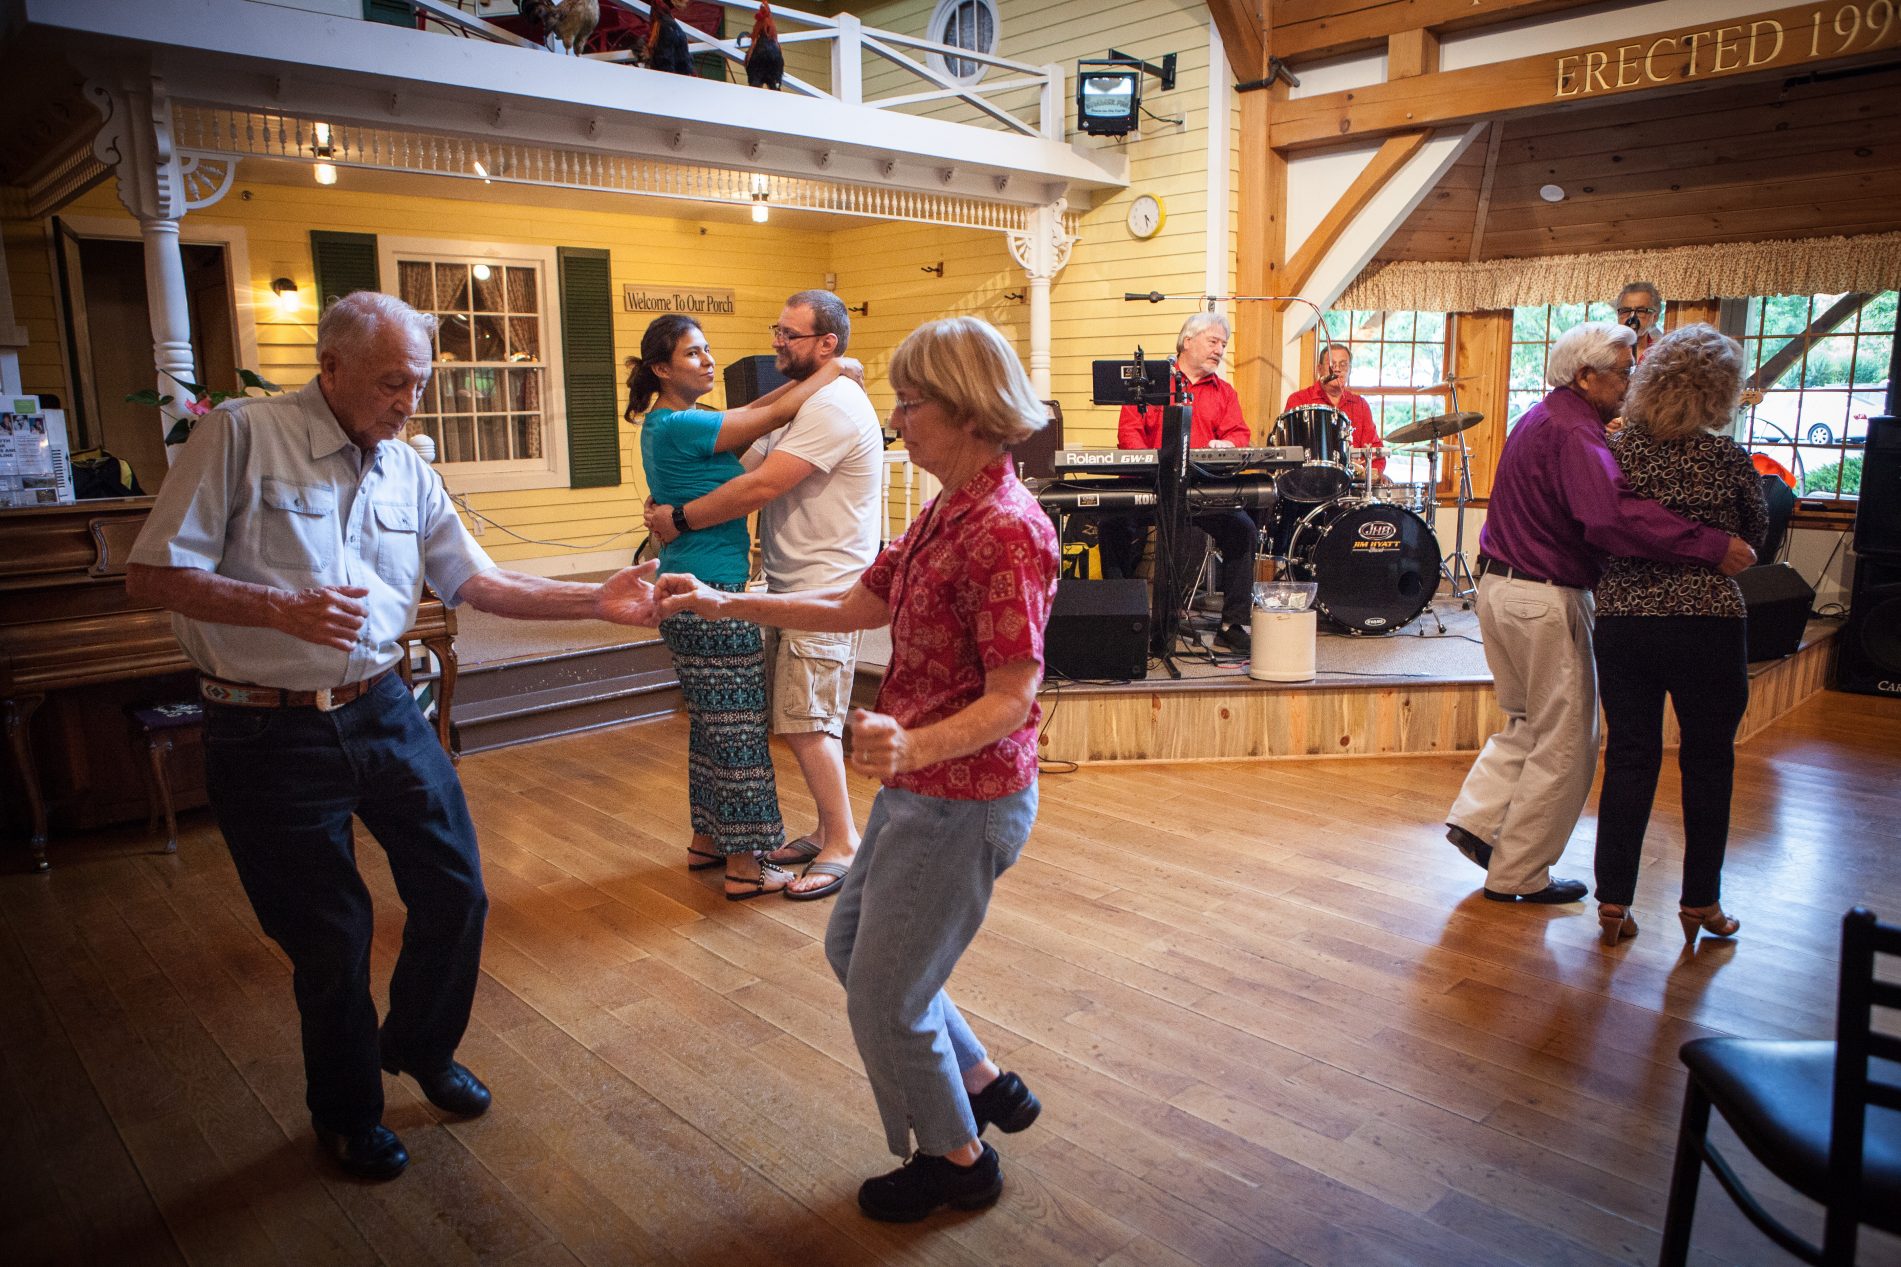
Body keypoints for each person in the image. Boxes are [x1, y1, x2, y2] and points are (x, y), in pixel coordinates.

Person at [123, 291, 663, 1182]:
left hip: (382, 707)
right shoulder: (239, 437)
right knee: (332, 936)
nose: (407, 400)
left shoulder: (408, 468)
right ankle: (346, 1112)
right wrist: (279, 606)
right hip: (264, 727)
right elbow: (152, 574)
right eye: (389, 383)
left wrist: (592, 600)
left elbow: (474, 582)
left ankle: (417, 1044)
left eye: (415, 382)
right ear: (329, 368)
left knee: (456, 890)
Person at [654, 316, 1057, 1223]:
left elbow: (1011, 699)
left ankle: (958, 1158)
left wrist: (913, 745)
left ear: (963, 410)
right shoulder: (946, 508)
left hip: (967, 799)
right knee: (856, 953)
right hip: (921, 793)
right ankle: (982, 1080)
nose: (897, 420)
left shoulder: (1005, 530)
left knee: (886, 990)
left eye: (909, 404)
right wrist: (724, 597)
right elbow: (847, 602)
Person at [1444, 321, 1756, 905]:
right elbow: (1611, 518)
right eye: (1623, 370)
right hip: (1545, 595)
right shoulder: (1576, 434)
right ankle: (1519, 874)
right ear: (1586, 376)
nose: (1632, 380)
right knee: (1566, 741)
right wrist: (1711, 545)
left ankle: (1478, 821)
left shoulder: (1545, 417)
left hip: (1500, 588)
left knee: (1526, 720)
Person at [643, 291, 881, 899]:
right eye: (776, 329)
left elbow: (763, 484)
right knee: (755, 720)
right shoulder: (806, 401)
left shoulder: (833, 404)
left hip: (824, 587)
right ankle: (770, 839)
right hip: (779, 583)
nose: (776, 342)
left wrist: (680, 516)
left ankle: (842, 841)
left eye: (791, 335)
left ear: (827, 343)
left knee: (803, 722)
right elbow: (750, 433)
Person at [1591, 326, 1768, 949]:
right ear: (1721, 393)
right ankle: (1701, 904)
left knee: (1630, 756)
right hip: (1708, 624)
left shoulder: (1615, 451)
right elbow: (1756, 536)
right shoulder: (1726, 458)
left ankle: (1613, 902)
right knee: (1709, 759)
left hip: (1624, 620)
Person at [1102, 311, 1256, 652]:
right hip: (1150, 485)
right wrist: (1152, 464)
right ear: (1188, 341)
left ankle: (1232, 624)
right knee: (1113, 522)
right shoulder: (1149, 383)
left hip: (1199, 488)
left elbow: (1239, 434)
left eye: (1223, 345)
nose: (1220, 350)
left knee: (1242, 529)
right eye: (1213, 341)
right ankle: (1119, 619)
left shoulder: (1224, 392)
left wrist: (1229, 445)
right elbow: (1130, 434)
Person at [1282, 341, 1386, 481]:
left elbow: (1375, 451)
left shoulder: (1360, 405)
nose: (1337, 369)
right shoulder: (1298, 400)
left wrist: (1372, 472)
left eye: (1343, 365)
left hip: (1352, 488)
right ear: (1319, 369)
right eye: (1332, 364)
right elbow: (1288, 450)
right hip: (1309, 483)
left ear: (1350, 370)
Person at [1616, 282, 1665, 362]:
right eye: (1625, 310)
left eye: (1640, 311)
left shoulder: (1662, 356)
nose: (1632, 317)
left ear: (1655, 317)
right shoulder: (1605, 351)